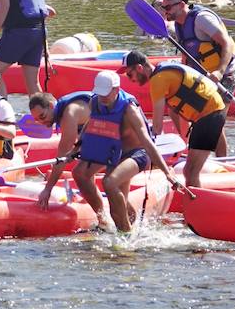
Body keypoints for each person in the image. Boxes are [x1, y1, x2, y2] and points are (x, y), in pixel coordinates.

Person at [36, 70, 181, 233]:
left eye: (106, 94)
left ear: (116, 90)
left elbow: (147, 142)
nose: (102, 98)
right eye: (100, 93)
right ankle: (109, 222)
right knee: (81, 173)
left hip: (136, 154)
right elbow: (89, 126)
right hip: (113, 151)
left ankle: (125, 234)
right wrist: (76, 148)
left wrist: (166, 172)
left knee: (110, 182)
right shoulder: (95, 102)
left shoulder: (129, 110)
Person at [122, 50, 228, 187]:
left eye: (130, 74)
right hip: (211, 111)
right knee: (190, 169)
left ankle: (196, 204)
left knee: (190, 172)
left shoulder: (158, 81)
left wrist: (138, 142)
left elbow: (157, 128)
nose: (130, 79)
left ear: (139, 68)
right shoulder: (163, 71)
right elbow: (174, 111)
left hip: (209, 115)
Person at [155, 0, 235, 94]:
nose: (165, 11)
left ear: (181, 5)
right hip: (203, 75)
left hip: (225, 73)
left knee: (217, 111)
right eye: (163, 7)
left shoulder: (201, 19)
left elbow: (227, 43)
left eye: (168, 7)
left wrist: (219, 72)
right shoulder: (178, 24)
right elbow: (186, 53)